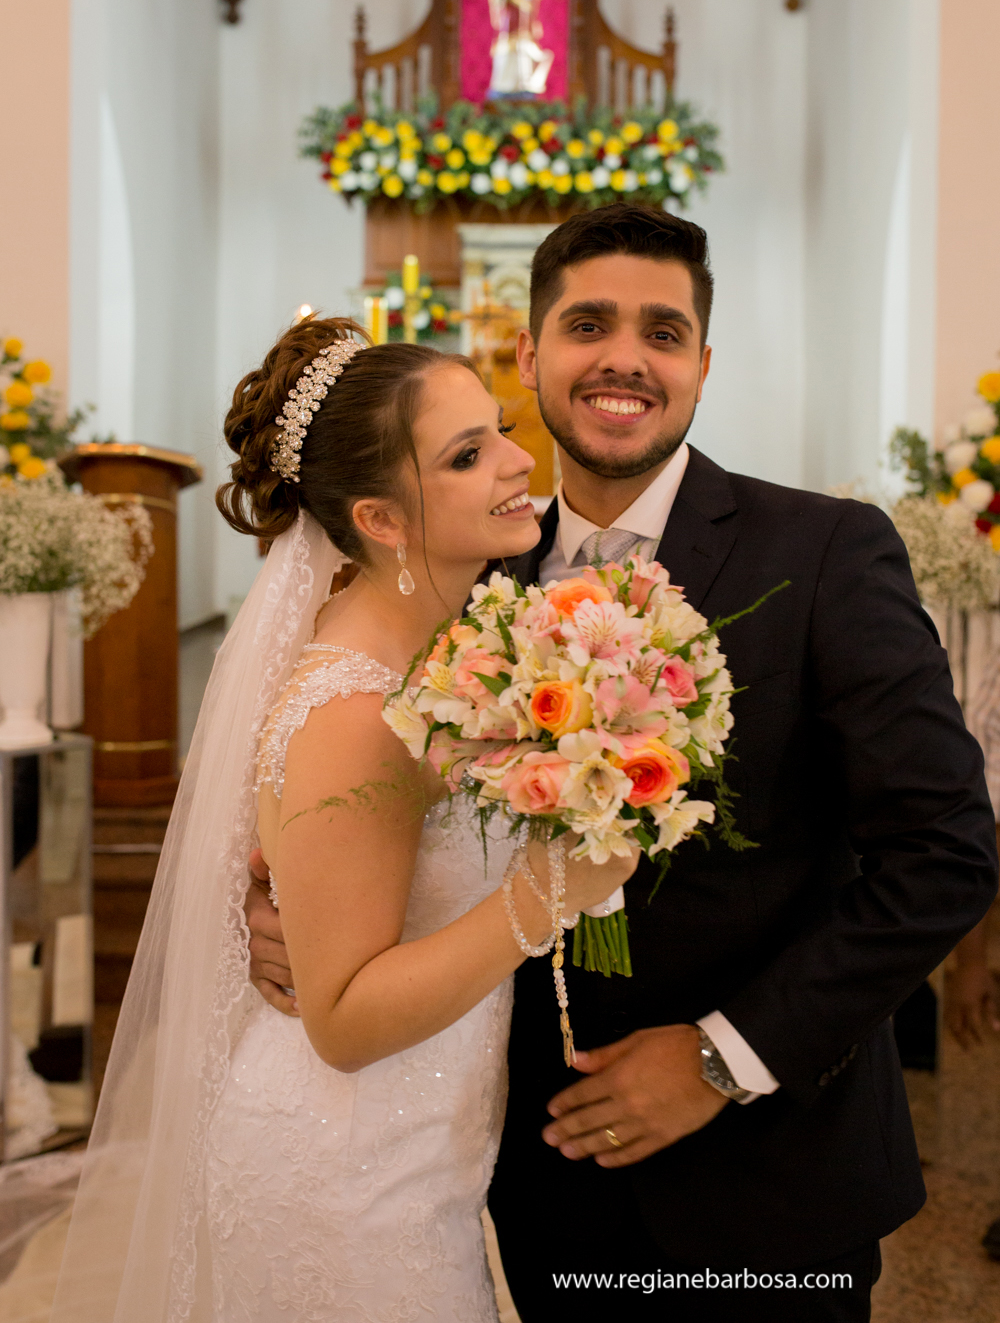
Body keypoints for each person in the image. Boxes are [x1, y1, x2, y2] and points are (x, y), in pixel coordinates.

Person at [248, 206, 1000, 1321]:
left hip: (766, 1173)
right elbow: (353, 790)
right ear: (530, 354)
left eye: (662, 330)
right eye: (588, 323)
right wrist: (284, 914)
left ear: (701, 361)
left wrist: (718, 1058)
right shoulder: (457, 575)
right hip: (525, 1174)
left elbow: (944, 855)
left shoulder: (825, 554)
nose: (624, 359)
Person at [50, 320, 636, 1323]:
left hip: (415, 1151)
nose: (513, 461)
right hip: (346, 1181)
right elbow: (345, 1022)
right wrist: (547, 898)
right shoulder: (358, 712)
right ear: (381, 518)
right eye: (465, 454)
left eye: (497, 429)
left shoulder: (442, 654)